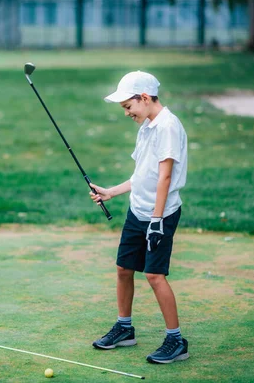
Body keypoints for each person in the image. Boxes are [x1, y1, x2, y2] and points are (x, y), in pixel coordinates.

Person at [89, 71, 189, 364]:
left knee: (155, 276)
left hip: (160, 214)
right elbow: (143, 174)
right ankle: (124, 328)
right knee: (123, 268)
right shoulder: (147, 126)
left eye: (127, 106)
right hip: (138, 210)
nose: (127, 113)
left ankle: (176, 340)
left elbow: (165, 177)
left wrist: (157, 220)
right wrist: (111, 192)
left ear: (144, 98)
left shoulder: (167, 127)